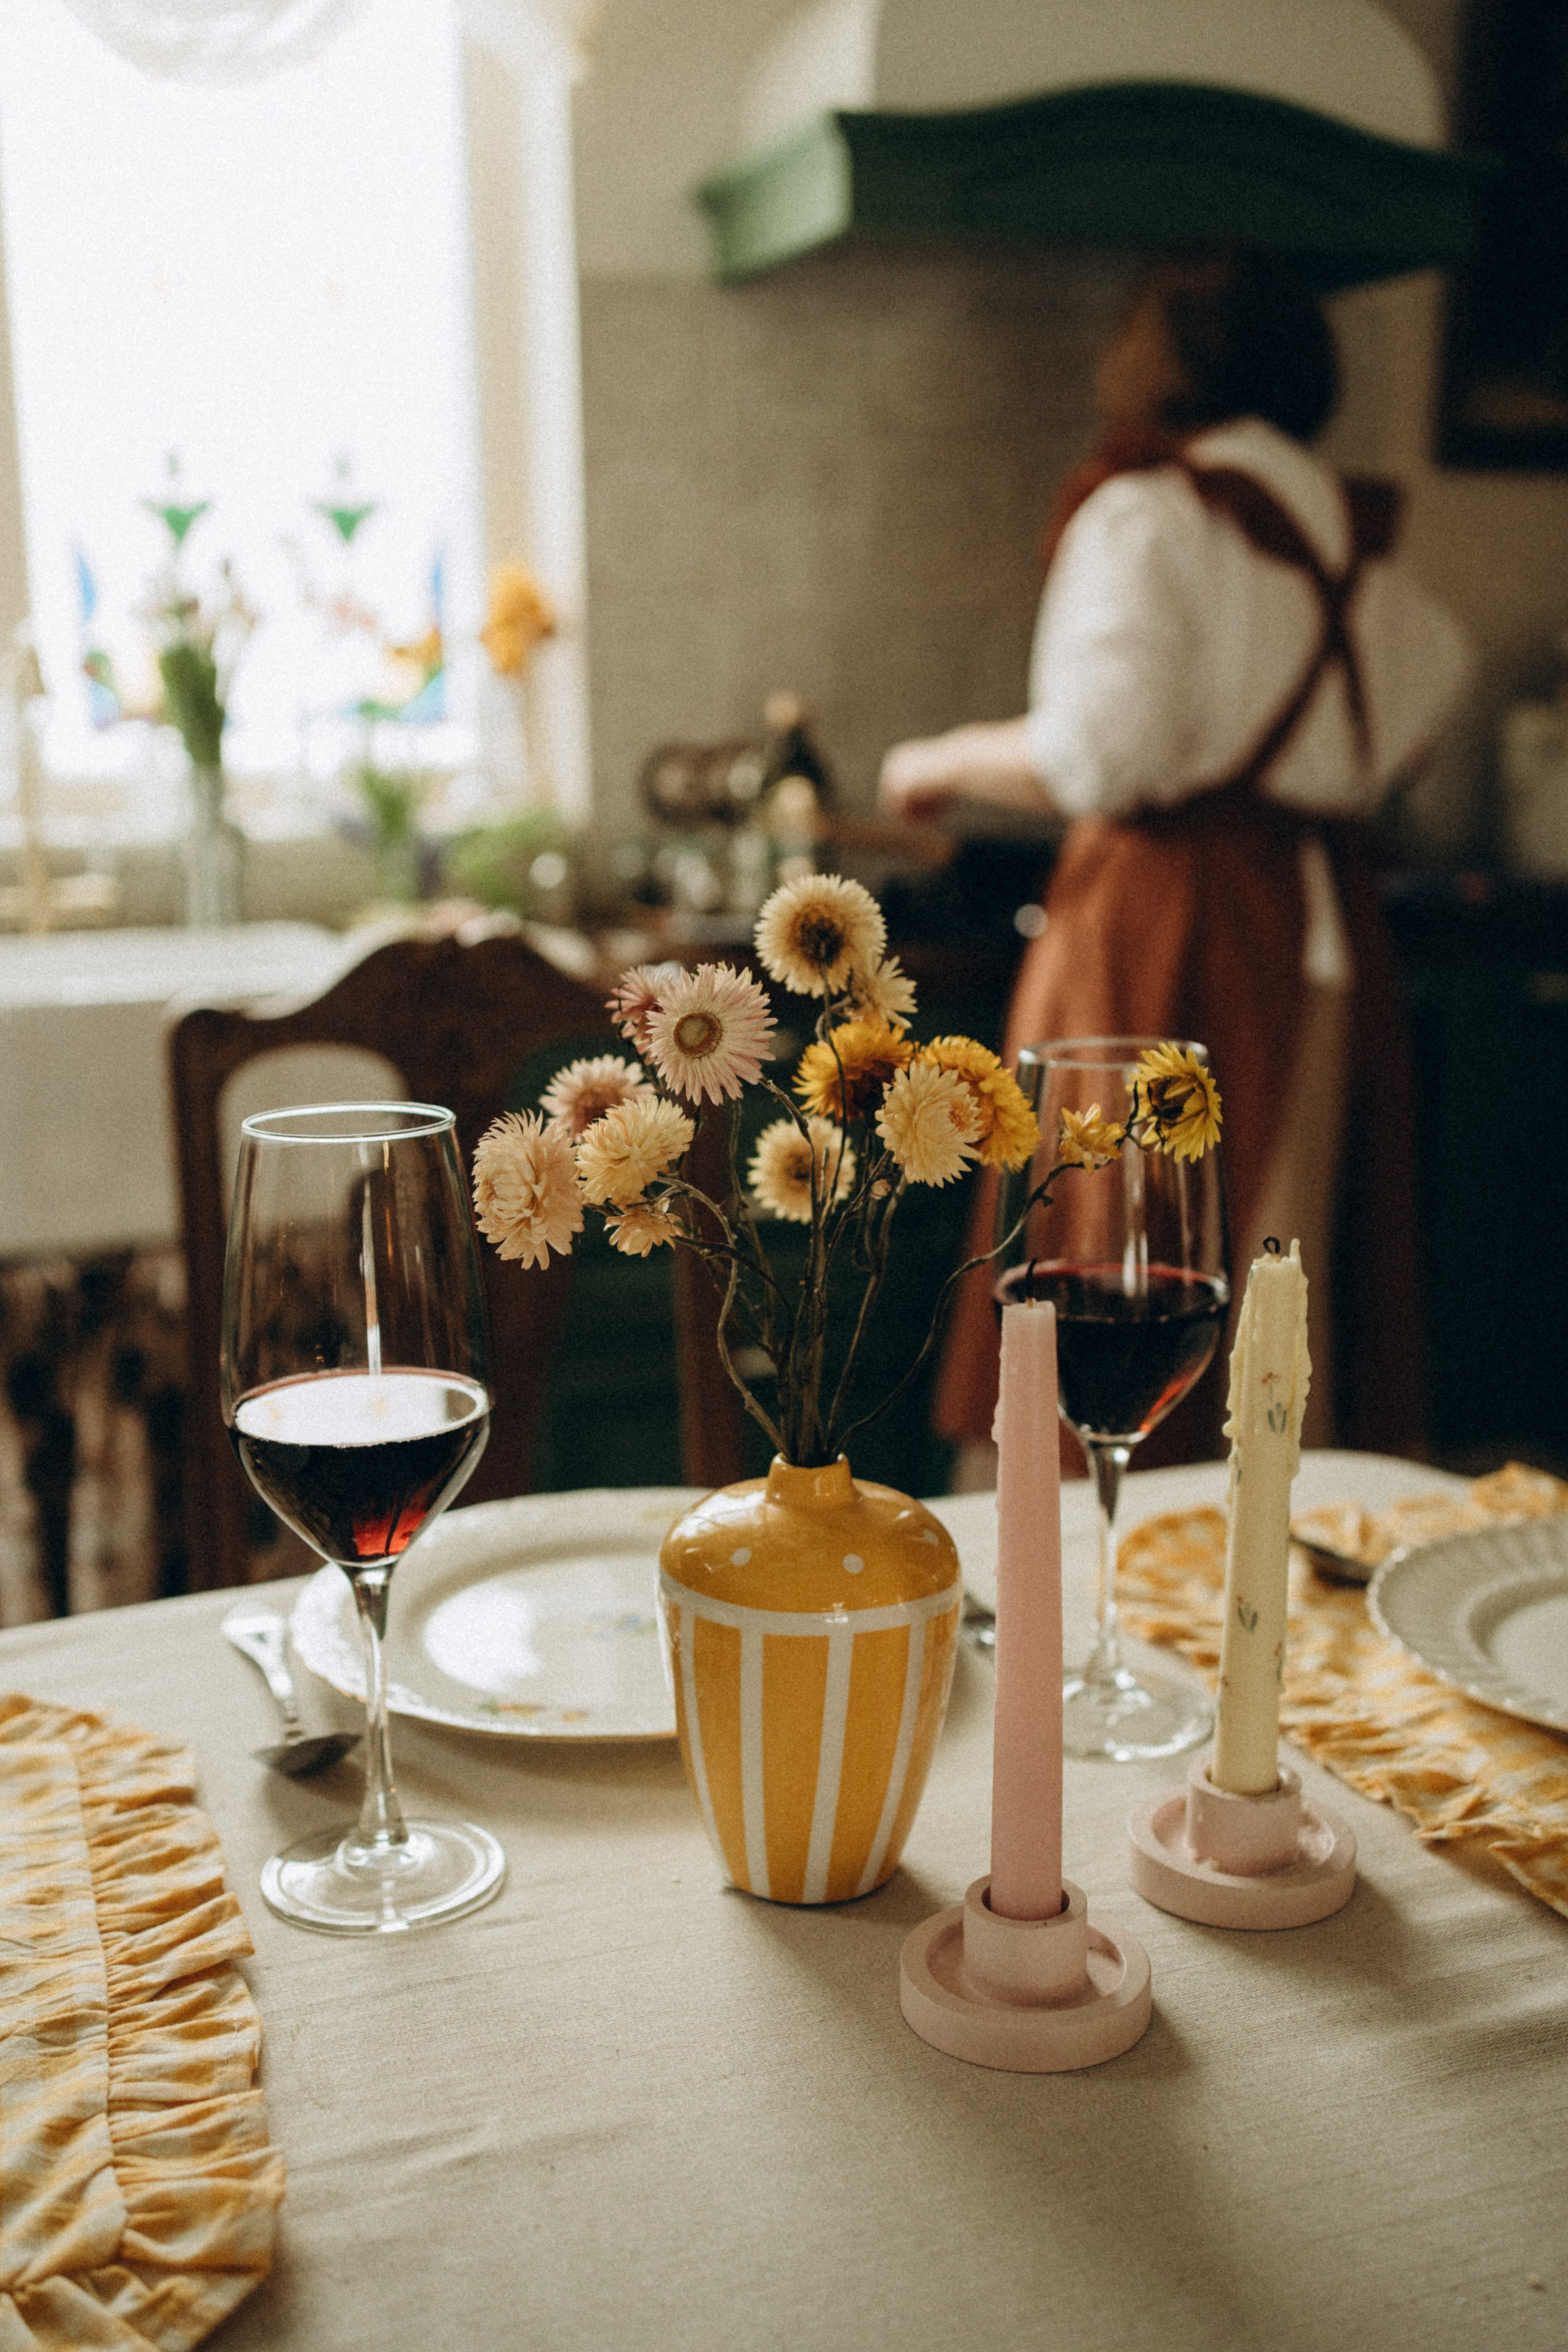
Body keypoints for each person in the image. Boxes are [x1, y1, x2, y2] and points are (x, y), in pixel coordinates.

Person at [879, 252, 1471, 1471]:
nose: (1110, 353)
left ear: (1179, 362)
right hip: (1318, 926)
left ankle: (1073, 1593)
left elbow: (1098, 762)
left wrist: (932, 760)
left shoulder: (1146, 515)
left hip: (1167, 923)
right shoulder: (1356, 542)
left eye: (1130, 327)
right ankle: (1252, 1602)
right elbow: (1430, 681)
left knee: (1109, 1264)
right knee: (1277, 1300)